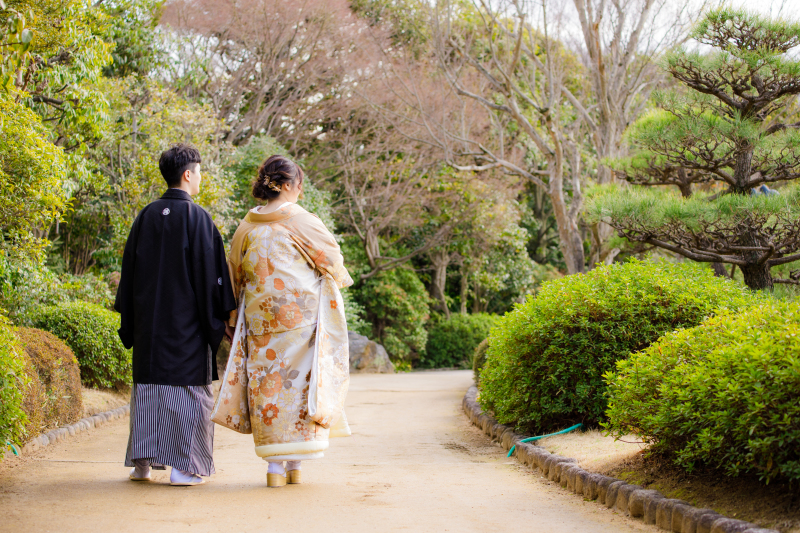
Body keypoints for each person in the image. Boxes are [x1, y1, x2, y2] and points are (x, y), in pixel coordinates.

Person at [225, 155, 352, 487]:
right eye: (299, 184)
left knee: (267, 389)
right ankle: (295, 463)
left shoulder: (246, 226)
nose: (300, 191)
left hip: (261, 323)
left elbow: (234, 274)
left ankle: (276, 468)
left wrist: (234, 316)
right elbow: (332, 261)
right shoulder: (302, 220)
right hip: (301, 320)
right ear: (287, 185)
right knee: (299, 389)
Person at [115, 144, 236, 486]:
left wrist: (133, 323)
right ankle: (185, 468)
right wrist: (220, 321)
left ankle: (142, 464)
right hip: (187, 329)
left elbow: (129, 275)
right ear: (187, 174)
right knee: (190, 395)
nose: (200, 177)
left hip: (150, 330)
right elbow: (212, 280)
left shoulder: (145, 216)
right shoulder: (198, 220)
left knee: (149, 391)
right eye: (198, 171)